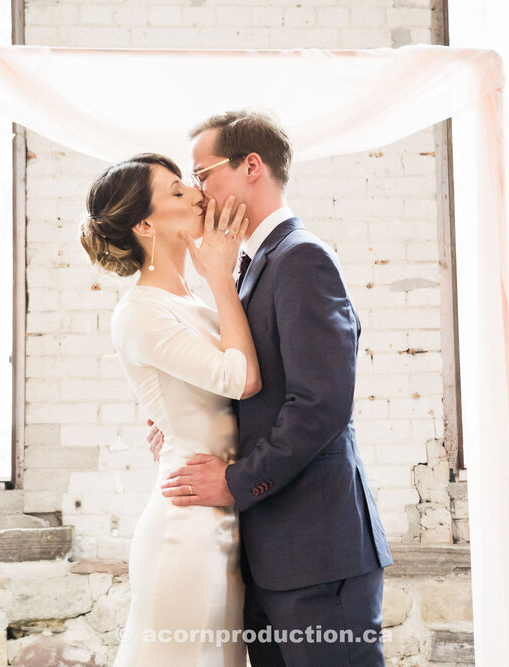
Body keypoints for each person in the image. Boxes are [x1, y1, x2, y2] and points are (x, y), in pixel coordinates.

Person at [155, 111, 393, 666]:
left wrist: (236, 482)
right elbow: (251, 390)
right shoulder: (254, 264)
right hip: (269, 555)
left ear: (251, 167)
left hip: (318, 554)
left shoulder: (302, 258)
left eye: (203, 174)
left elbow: (320, 403)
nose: (196, 191)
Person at [79, 152, 258, 666]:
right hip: (186, 530)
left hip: (222, 518)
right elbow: (241, 378)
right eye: (178, 192)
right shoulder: (139, 312)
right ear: (144, 224)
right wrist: (222, 276)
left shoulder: (193, 305)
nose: (199, 195)